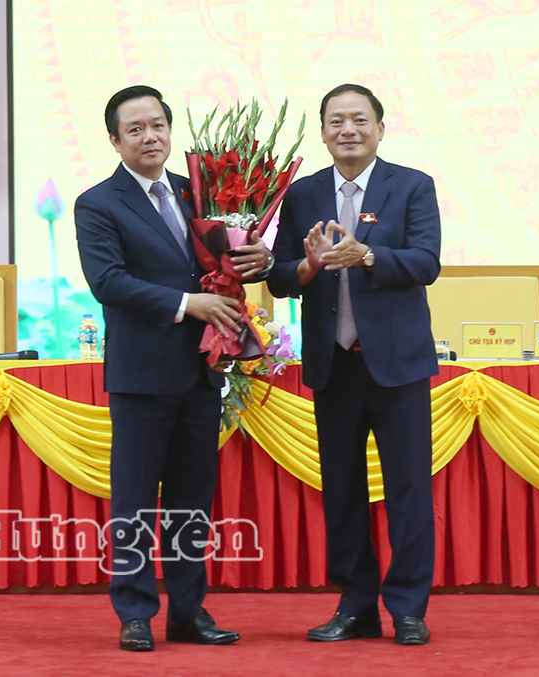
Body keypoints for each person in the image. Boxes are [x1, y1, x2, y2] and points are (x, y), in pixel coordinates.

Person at [75, 85, 265, 652]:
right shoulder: (98, 203)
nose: (149, 137)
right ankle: (135, 612)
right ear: (115, 141)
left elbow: (226, 259)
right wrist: (189, 304)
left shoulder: (197, 192)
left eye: (157, 125)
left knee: (191, 501)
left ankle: (188, 611)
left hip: (202, 370)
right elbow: (108, 282)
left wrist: (258, 260)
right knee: (134, 499)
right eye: (134, 129)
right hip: (141, 374)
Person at [267, 84, 440, 646]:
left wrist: (366, 255)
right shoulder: (302, 194)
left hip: (398, 366)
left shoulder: (412, 185)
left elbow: (425, 262)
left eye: (360, 120)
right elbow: (279, 277)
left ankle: (408, 609)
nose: (348, 130)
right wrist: (309, 266)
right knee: (342, 491)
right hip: (333, 365)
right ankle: (356, 605)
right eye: (337, 121)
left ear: (380, 129)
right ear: (322, 132)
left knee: (408, 490)